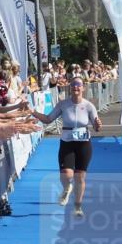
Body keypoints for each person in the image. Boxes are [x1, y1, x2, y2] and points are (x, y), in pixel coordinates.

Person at [30, 77, 102, 216]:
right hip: (67, 143)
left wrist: (98, 125)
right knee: (66, 174)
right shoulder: (63, 104)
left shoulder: (88, 106)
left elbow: (96, 126)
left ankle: (77, 206)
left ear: (83, 88)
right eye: (73, 85)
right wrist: (32, 112)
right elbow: (48, 119)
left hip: (84, 144)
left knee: (80, 177)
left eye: (79, 85)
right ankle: (67, 189)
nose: (76, 87)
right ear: (70, 87)